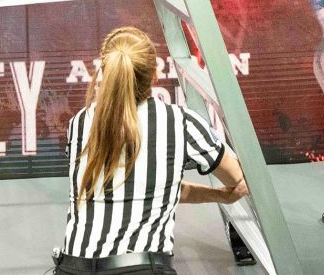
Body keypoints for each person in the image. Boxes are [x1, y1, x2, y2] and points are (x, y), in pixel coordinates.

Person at [56, 27, 246, 275]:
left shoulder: (79, 122)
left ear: (105, 71)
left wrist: (218, 195)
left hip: (73, 267)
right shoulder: (180, 122)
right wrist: (224, 192)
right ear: (154, 75)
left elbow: (146, 189)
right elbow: (238, 179)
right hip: (142, 268)